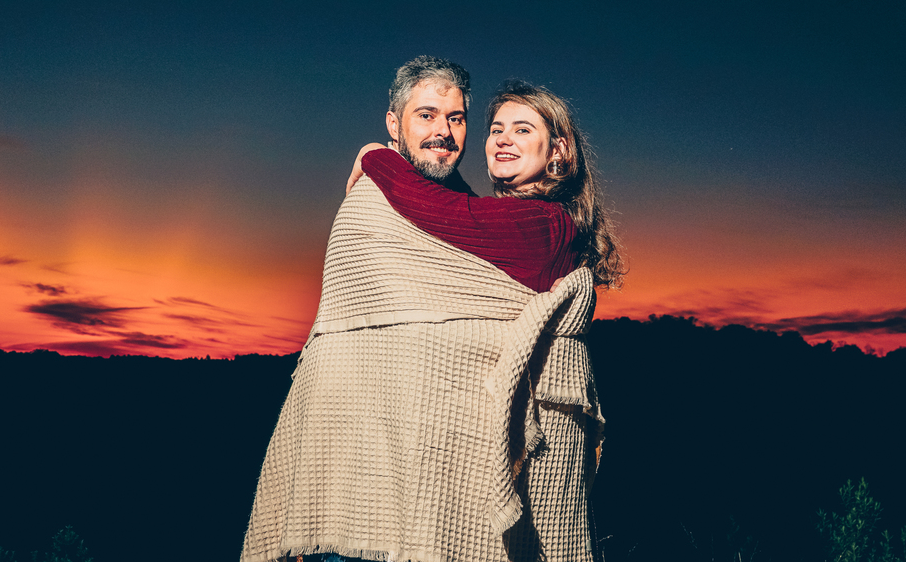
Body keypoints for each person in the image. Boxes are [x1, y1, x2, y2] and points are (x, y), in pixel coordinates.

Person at [241, 58, 623, 562]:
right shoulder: (393, 210)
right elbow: (459, 219)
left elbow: (454, 215)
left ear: (558, 151)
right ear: (394, 123)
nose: (499, 139)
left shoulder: (544, 222)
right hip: (368, 456)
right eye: (496, 128)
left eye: (459, 119)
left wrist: (376, 159)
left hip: (448, 468)